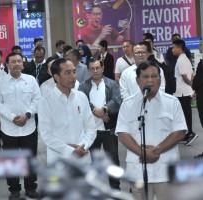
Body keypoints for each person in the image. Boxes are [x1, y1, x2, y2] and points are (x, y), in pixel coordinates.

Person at [116, 61, 186, 200]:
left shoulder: (172, 102)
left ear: (160, 79)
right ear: (137, 80)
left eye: (154, 76)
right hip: (138, 169)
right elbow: (123, 133)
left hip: (166, 168)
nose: (150, 80)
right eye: (145, 76)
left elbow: (179, 132)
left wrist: (157, 150)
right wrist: (142, 152)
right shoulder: (128, 104)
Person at [0, 52, 41, 200]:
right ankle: (14, 190)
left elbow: (37, 99)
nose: (17, 64)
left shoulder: (31, 80)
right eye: (13, 61)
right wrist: (12, 117)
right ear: (7, 64)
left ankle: (31, 188)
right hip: (9, 128)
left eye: (19, 61)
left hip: (29, 126)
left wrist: (27, 115)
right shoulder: (0, 82)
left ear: (23, 63)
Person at [38, 58, 96, 165]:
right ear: (57, 77)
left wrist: (82, 146)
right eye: (67, 73)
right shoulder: (45, 102)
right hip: (59, 159)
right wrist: (71, 151)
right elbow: (47, 135)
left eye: (74, 72)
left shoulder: (81, 97)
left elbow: (91, 128)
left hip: (82, 157)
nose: (73, 76)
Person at [78, 57, 121, 189]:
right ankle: (93, 186)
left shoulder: (111, 84)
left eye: (98, 68)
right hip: (91, 130)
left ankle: (115, 187)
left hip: (109, 129)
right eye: (92, 68)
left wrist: (104, 109)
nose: (95, 70)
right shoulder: (83, 86)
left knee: (112, 158)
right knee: (91, 160)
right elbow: (82, 103)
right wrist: (96, 112)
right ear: (89, 70)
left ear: (102, 68)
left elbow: (117, 101)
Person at [172, 39, 198, 145]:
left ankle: (190, 133)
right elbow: (191, 75)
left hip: (182, 92)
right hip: (185, 91)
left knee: (185, 114)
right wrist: (191, 87)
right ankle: (187, 134)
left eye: (174, 47)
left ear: (179, 48)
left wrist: (191, 86)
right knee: (185, 113)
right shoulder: (186, 59)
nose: (172, 49)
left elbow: (184, 77)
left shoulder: (180, 60)